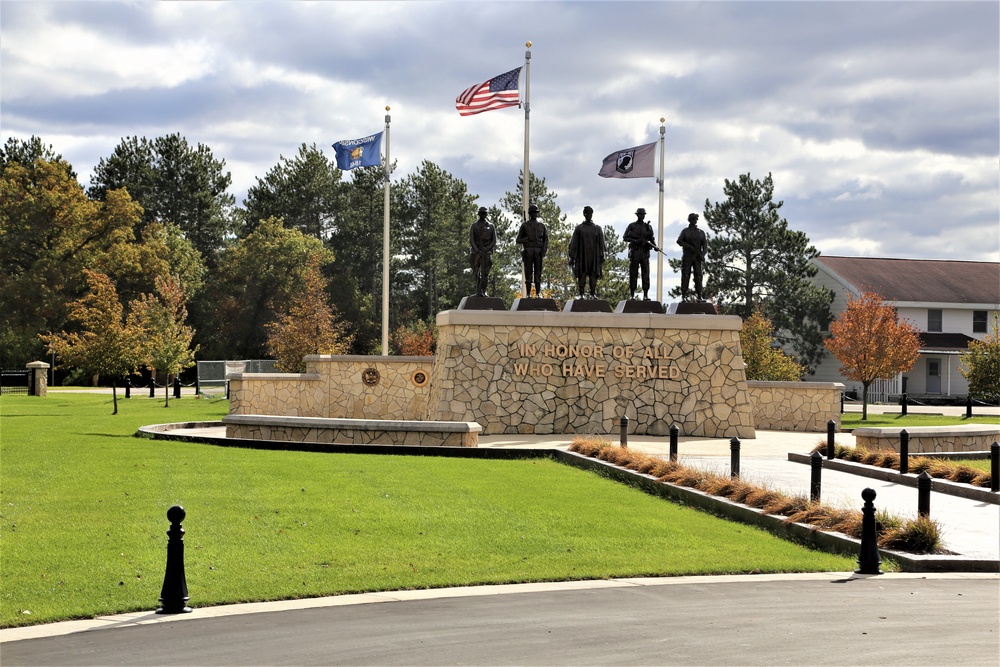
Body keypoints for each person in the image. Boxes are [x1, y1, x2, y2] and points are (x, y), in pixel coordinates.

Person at [568, 206, 606, 298]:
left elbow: (602, 244)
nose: (588, 215)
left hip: (594, 257)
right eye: (587, 213)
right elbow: (574, 243)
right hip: (582, 256)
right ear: (584, 214)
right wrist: (572, 257)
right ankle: (581, 294)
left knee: (593, 276)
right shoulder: (579, 228)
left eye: (590, 213)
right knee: (582, 275)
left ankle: (593, 294)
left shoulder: (597, 228)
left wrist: (602, 255)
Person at [622, 207, 658, 300]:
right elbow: (625, 237)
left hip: (645, 253)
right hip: (635, 252)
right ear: (637, 215)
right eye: (640, 214)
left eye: (643, 215)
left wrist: (655, 246)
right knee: (633, 274)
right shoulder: (632, 226)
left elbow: (652, 239)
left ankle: (645, 295)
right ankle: (632, 294)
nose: (642, 216)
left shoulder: (648, 227)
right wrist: (635, 241)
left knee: (646, 274)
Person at [516, 204, 548, 297]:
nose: (535, 214)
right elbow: (518, 240)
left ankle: (538, 293)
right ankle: (529, 293)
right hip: (528, 251)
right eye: (533, 213)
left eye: (536, 213)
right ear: (530, 213)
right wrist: (525, 240)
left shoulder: (541, 226)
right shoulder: (525, 225)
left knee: (538, 273)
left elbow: (546, 239)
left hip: (538, 252)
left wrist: (544, 250)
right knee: (528, 272)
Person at [676, 212, 707, 301]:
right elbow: (679, 241)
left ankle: (699, 296)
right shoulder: (685, 231)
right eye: (692, 219)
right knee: (685, 275)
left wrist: (703, 254)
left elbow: (705, 246)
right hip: (687, 256)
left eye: (695, 219)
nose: (694, 221)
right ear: (689, 220)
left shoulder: (701, 232)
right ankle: (683, 295)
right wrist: (689, 247)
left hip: (697, 257)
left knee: (698, 276)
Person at [469, 206, 496, 297]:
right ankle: (478, 290)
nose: (483, 215)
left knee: (485, 273)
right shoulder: (474, 226)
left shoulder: (491, 226)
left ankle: (483, 291)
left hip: (486, 252)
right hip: (476, 252)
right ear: (479, 214)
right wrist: (477, 250)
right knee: (476, 272)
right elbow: (471, 239)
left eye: (485, 214)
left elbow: (494, 240)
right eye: (481, 213)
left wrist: (487, 248)